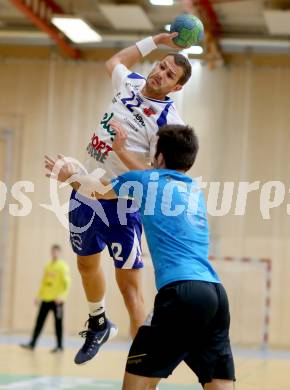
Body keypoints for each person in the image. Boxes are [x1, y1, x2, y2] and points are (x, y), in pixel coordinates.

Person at [45, 122, 236, 389]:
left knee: (136, 386)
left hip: (181, 295)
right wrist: (122, 152)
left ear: (158, 157)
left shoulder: (143, 182)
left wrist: (67, 175)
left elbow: (95, 190)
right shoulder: (193, 190)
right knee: (219, 384)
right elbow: (153, 175)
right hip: (215, 296)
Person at [67, 32, 192, 364]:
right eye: (161, 65)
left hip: (122, 203)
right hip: (86, 189)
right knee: (85, 263)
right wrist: (159, 38)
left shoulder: (169, 123)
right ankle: (98, 322)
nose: (159, 73)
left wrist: (122, 152)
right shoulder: (132, 82)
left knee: (130, 290)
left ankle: (143, 370)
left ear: (176, 88)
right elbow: (114, 62)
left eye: (169, 75)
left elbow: (164, 176)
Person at [20, 244, 71, 353]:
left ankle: (59, 346)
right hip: (46, 299)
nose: (54, 254)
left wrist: (62, 297)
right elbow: (44, 283)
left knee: (58, 324)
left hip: (57, 302)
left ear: (59, 253)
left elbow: (67, 284)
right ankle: (32, 343)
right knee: (39, 322)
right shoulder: (48, 266)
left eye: (56, 252)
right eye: (53, 252)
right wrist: (38, 296)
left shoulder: (63, 266)